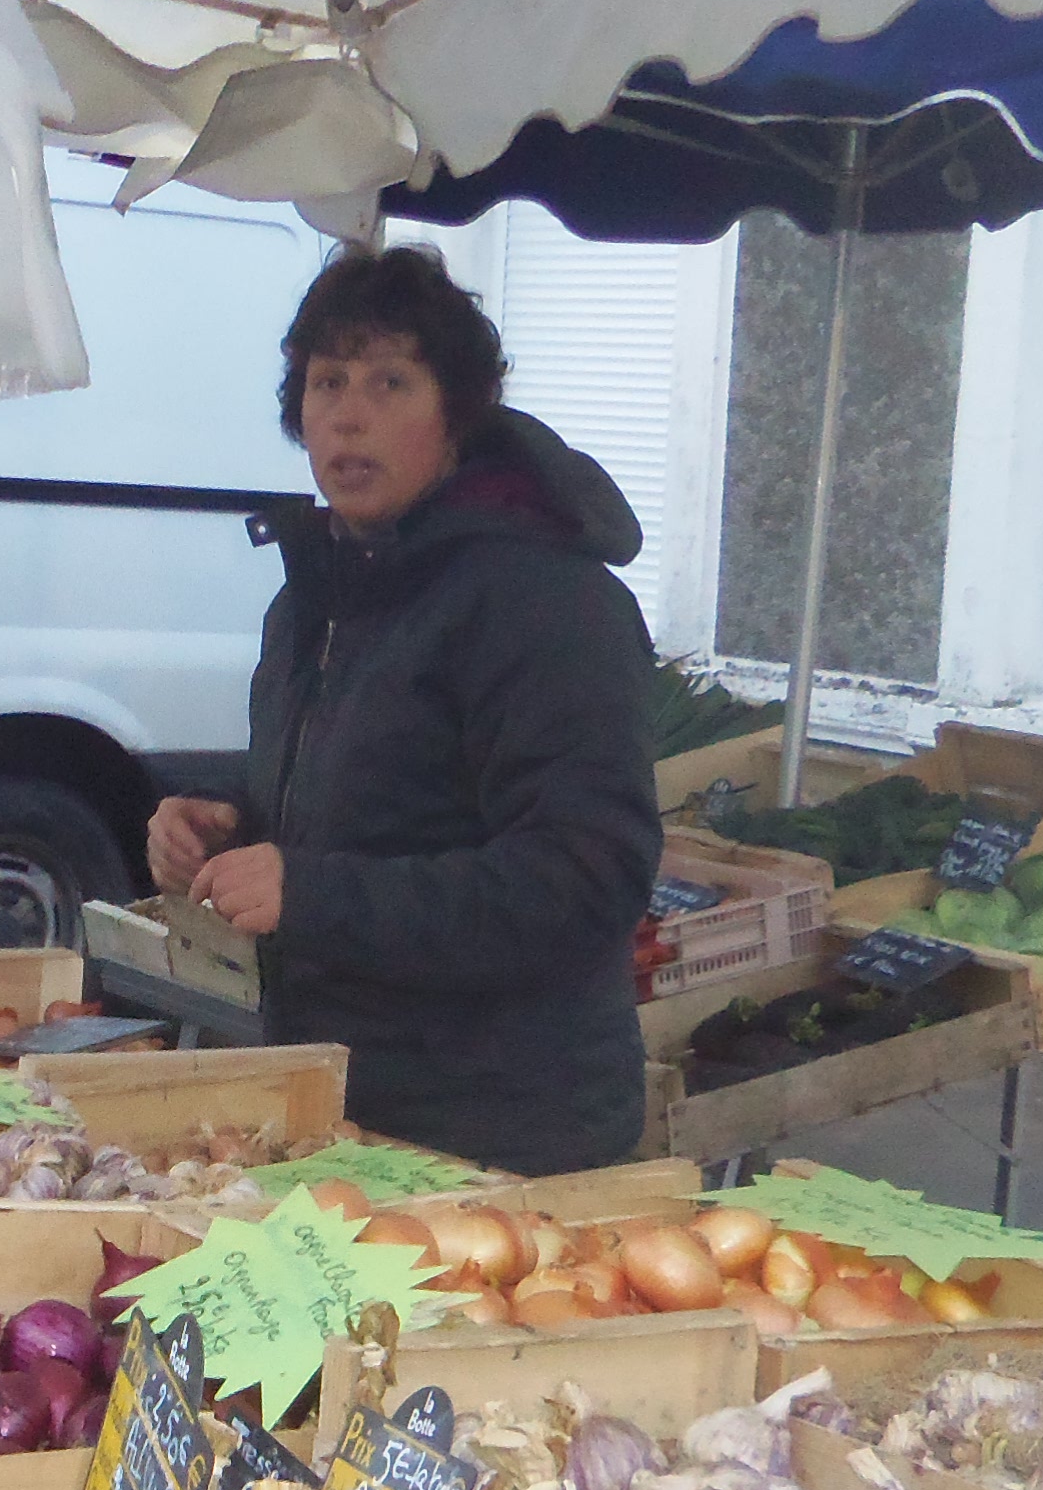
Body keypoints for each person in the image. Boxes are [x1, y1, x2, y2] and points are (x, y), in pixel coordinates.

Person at [147, 245, 662, 1174]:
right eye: (327, 382)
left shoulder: (547, 603)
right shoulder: (314, 599)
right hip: (341, 1108)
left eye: (391, 382)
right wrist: (227, 833)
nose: (350, 415)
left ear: (457, 411)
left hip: (503, 1133)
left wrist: (313, 894)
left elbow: (585, 879)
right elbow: (373, 812)